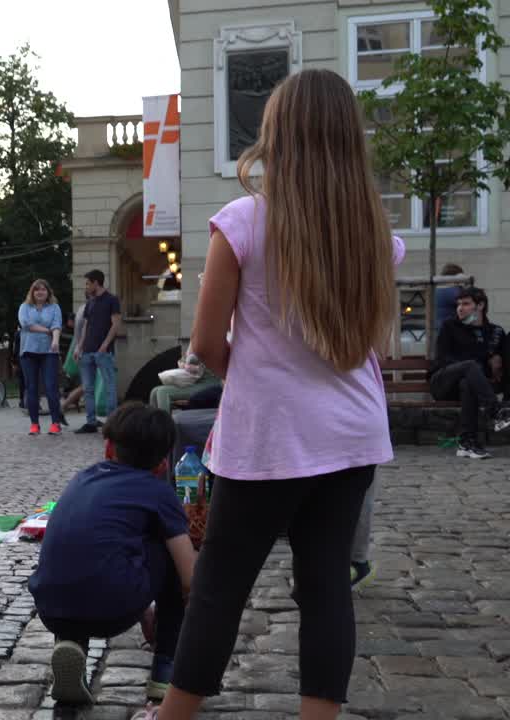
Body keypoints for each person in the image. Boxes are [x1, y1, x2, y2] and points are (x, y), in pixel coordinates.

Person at [143, 70, 403, 720]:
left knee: (220, 589)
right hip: (352, 434)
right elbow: (371, 339)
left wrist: (254, 381)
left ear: (276, 135)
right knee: (325, 588)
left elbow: (204, 342)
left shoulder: (244, 223)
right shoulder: (373, 233)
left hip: (269, 436)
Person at [29, 403, 196, 706]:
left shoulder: (82, 478)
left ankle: (70, 646)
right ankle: (165, 669)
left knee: (88, 555)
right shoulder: (159, 492)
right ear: (163, 465)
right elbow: (189, 578)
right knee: (170, 547)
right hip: (112, 609)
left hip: (51, 608)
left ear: (108, 449)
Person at [429, 287, 510, 459]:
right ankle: (496, 412)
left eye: (466, 304)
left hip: (469, 385)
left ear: (480, 305)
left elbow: (498, 367)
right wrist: (478, 360)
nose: (460, 308)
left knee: (468, 382)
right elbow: (442, 359)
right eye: (458, 304)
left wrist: (495, 357)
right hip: (442, 382)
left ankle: (467, 443)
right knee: (470, 367)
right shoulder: (449, 326)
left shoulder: (495, 332)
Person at [72, 270, 122, 433]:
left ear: (96, 283)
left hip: (103, 352)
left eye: (87, 283)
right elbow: (86, 326)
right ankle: (91, 422)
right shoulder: (90, 302)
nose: (86, 286)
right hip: (87, 351)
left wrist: (105, 345)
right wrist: (79, 347)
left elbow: (115, 324)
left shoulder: (112, 300)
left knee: (109, 386)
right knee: (88, 388)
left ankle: (112, 422)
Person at [19, 279, 65, 435]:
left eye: (43, 289)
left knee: (51, 388)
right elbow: (26, 324)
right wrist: (47, 331)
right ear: (32, 292)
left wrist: (55, 341)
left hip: (49, 352)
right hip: (28, 352)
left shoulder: (54, 307)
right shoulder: (24, 307)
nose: (40, 292)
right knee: (31, 389)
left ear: (48, 292)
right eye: (36, 289)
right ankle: (34, 424)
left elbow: (57, 325)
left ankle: (55, 423)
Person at [433, 263, 465, 337]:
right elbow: (469, 303)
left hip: (438, 328)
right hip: (451, 331)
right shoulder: (453, 291)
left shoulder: (437, 289)